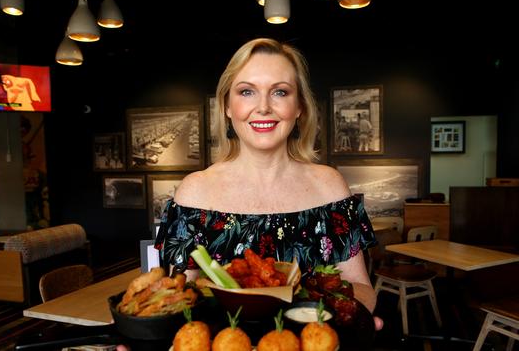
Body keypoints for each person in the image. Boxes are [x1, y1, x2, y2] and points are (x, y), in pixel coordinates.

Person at [154, 38, 384, 332]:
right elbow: (178, 298)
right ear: (227, 105)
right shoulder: (194, 191)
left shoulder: (330, 186)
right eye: (247, 91)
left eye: (280, 92)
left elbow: (359, 287)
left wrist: (349, 326)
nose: (263, 107)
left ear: (299, 106)